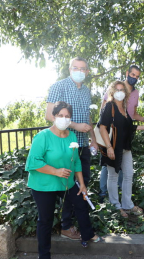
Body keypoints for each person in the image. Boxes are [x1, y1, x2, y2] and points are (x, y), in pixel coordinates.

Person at [25, 102, 99, 259]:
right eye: (60, 116)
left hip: (66, 181)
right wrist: (55, 171)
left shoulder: (71, 136)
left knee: (80, 202)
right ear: (53, 116)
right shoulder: (42, 137)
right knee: (45, 220)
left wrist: (82, 184)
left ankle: (86, 235)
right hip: (44, 184)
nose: (64, 119)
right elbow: (33, 162)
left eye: (67, 116)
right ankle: (44, 256)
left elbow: (76, 161)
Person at [45, 57, 98, 240]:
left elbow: (88, 118)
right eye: (76, 67)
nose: (79, 71)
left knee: (83, 183)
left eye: (83, 68)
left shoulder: (86, 91)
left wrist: (93, 139)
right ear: (69, 69)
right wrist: (75, 126)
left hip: (83, 145)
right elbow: (48, 115)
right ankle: (66, 226)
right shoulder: (58, 86)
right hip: (64, 144)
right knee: (69, 185)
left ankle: (76, 221)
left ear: (87, 72)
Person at [98, 65, 144, 202]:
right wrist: (109, 146)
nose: (120, 92)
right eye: (117, 90)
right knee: (112, 174)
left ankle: (127, 204)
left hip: (125, 143)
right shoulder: (110, 106)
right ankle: (112, 203)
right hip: (113, 143)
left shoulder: (125, 107)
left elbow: (130, 124)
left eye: (122, 90)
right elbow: (102, 125)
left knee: (128, 174)